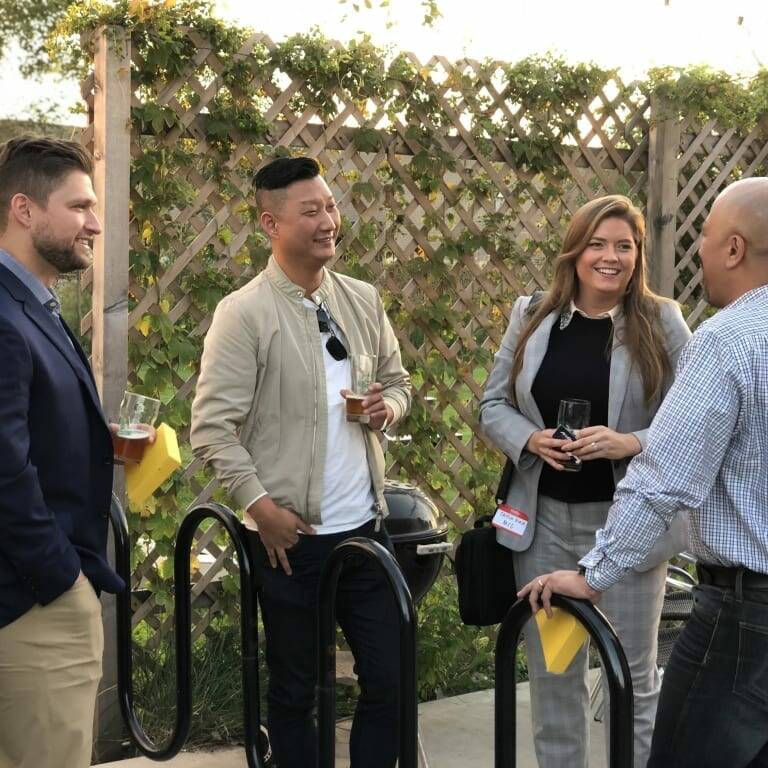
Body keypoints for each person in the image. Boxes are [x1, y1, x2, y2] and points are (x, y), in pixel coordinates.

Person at [520, 178, 768, 768]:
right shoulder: (534, 315)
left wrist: (595, 572)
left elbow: (667, 474)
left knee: (672, 738)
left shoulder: (724, 338)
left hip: (742, 612)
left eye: (704, 235)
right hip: (546, 520)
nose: (699, 249)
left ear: (733, 249)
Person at [190, 156, 411, 768]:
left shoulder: (362, 300)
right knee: (295, 694)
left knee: (391, 683)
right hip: (293, 539)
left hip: (366, 532)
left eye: (331, 206)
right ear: (271, 224)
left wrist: (384, 409)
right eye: (310, 211)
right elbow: (212, 429)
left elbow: (399, 383)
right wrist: (263, 509)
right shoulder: (244, 313)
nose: (328, 220)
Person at [479, 194, 691, 768]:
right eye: (598, 243)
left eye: (624, 245)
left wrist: (631, 441)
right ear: (575, 252)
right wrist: (530, 438)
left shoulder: (661, 320)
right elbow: (493, 404)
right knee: (555, 677)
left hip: (626, 532)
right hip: (545, 529)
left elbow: (696, 419)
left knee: (633, 679)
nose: (611, 256)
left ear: (638, 255)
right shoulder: (533, 316)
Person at [0, 136, 125, 768]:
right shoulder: (4, 313)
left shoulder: (30, 304)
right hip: (31, 606)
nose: (96, 224)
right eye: (79, 207)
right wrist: (60, 578)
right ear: (24, 210)